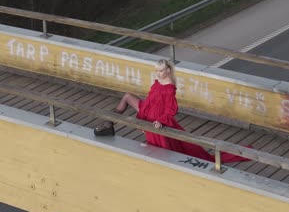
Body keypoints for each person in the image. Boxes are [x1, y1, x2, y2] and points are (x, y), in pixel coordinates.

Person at [94, 59, 249, 163]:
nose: (157, 73)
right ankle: (108, 125)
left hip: (156, 116)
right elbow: (151, 98)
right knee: (127, 96)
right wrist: (142, 114)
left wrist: (160, 121)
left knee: (167, 147)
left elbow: (171, 109)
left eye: (160, 71)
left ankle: (109, 125)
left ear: (167, 71)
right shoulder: (159, 80)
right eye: (156, 71)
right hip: (147, 108)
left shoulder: (169, 87)